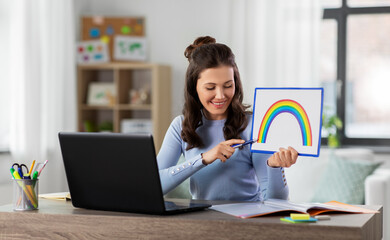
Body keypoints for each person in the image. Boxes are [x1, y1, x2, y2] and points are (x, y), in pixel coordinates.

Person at [157, 36, 298, 201]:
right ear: (194, 87)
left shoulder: (254, 125)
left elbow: (276, 201)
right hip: (201, 221)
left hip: (247, 221)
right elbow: (156, 184)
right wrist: (204, 159)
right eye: (210, 87)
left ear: (236, 84)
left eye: (228, 85)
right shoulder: (180, 126)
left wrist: (275, 167)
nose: (220, 95)